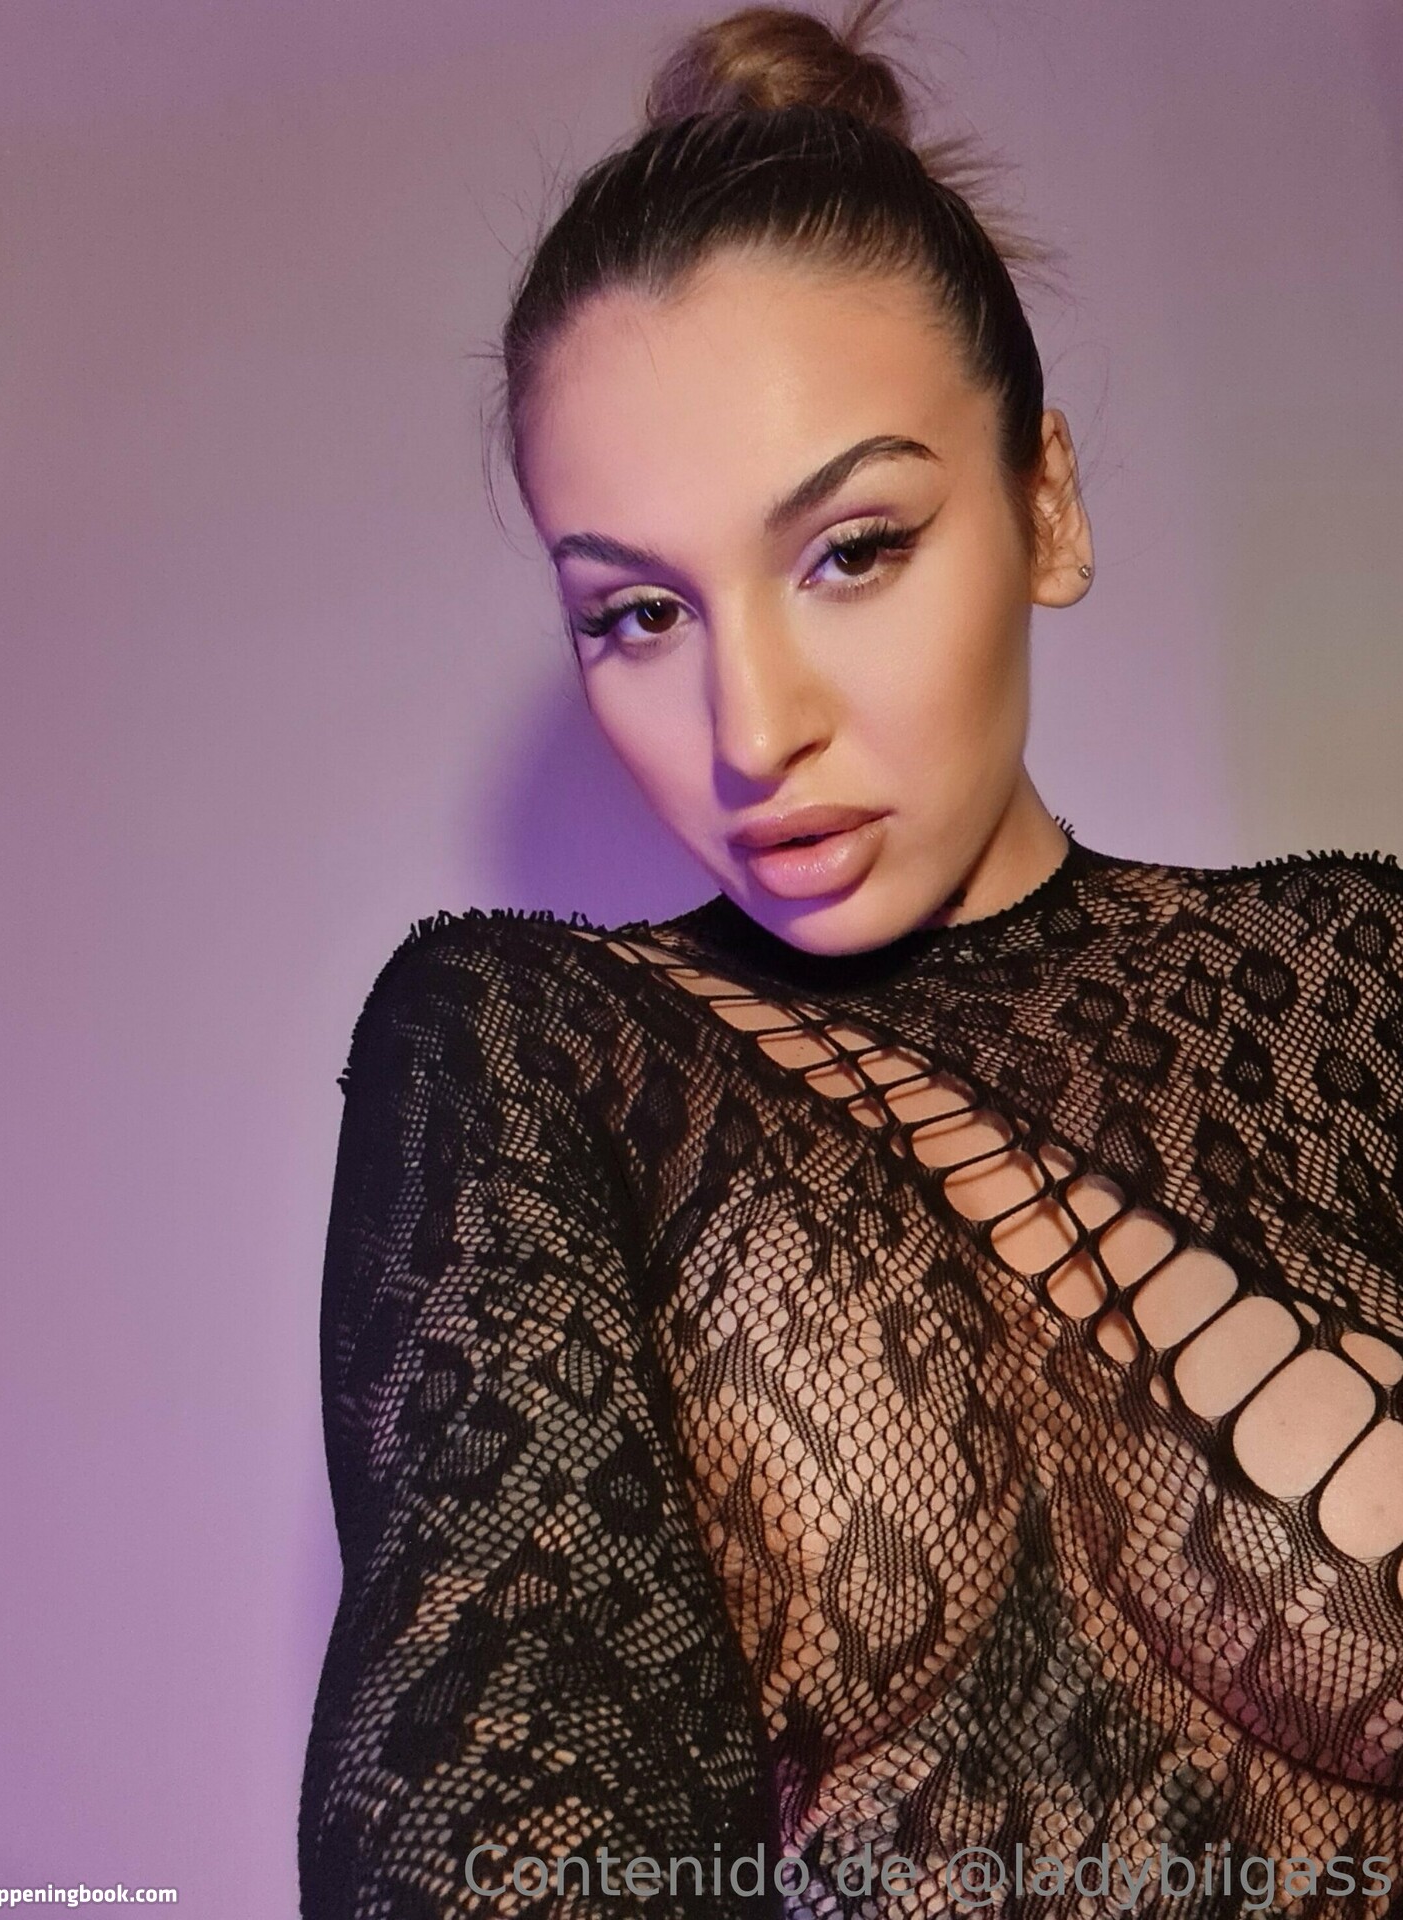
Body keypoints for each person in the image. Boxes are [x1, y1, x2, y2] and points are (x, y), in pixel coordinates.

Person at [297, 3, 1403, 1914]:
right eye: (639, 613)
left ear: (1046, 506)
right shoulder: (547, 1054)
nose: (754, 728)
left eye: (853, 549)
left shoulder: (1355, 984)